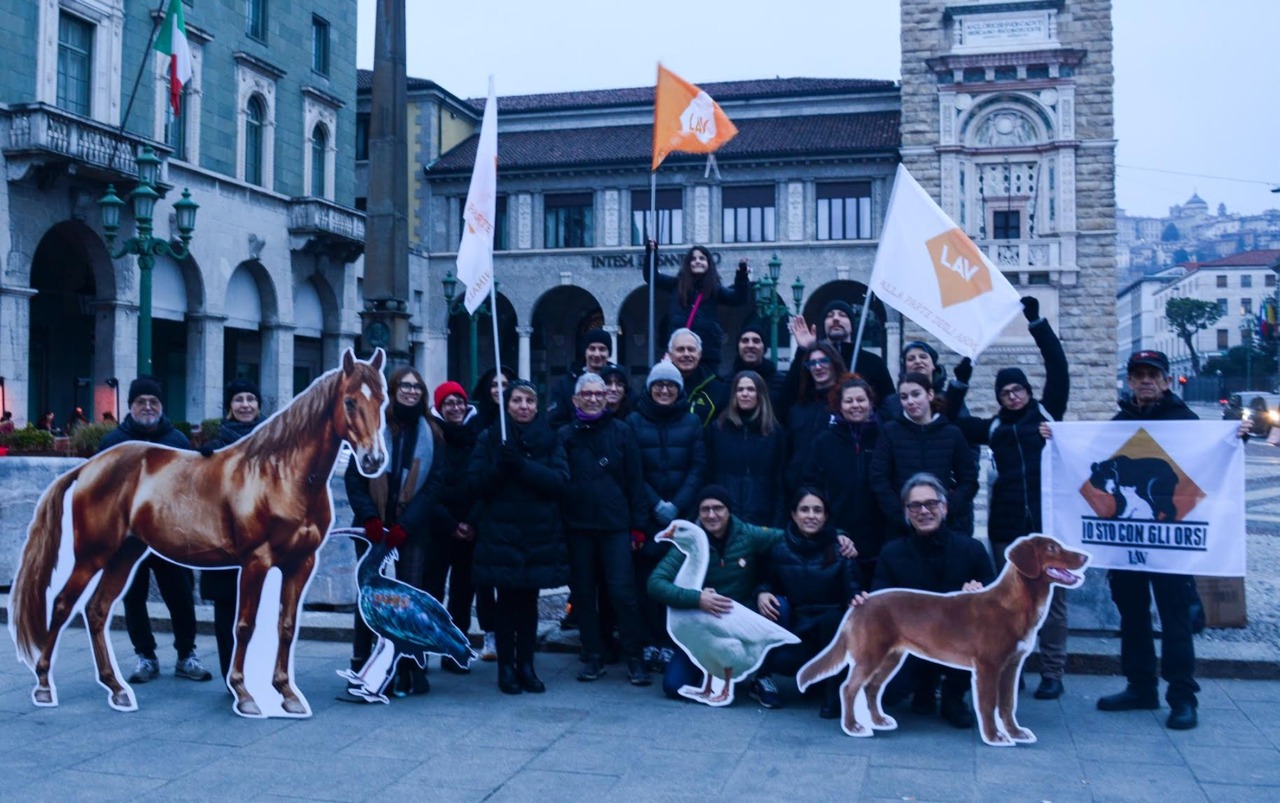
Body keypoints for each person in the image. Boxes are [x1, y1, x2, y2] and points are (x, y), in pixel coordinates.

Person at [1073, 350, 1245, 731]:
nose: (1146, 381)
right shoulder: (1119, 424)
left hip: (1169, 546)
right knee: (1132, 616)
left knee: (1175, 618)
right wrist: (1057, 441)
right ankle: (1140, 686)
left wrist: (1235, 440)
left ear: (1167, 380)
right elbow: (1088, 459)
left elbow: (1210, 460)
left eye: (1153, 375)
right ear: (1130, 381)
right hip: (1131, 545)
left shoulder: (1186, 421)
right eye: (1138, 375)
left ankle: (1183, 696)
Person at [945, 296, 1070, 700]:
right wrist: (959, 382)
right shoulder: (994, 427)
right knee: (1011, 604)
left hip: (1047, 526)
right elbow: (953, 422)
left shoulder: (1048, 414)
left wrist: (1035, 321)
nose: (1013, 396)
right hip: (1008, 529)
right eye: (1006, 391)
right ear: (998, 397)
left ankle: (1052, 671)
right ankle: (1015, 667)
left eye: (1018, 390)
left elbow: (1058, 365)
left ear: (1029, 392)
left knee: (1051, 604)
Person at [647, 485, 856, 700]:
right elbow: (655, 583)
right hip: (700, 626)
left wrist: (838, 535)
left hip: (736, 622)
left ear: (729, 511)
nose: (712, 515)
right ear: (698, 513)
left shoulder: (746, 534)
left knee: (778, 606)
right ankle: (708, 671)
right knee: (673, 686)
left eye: (718, 508)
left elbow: (796, 533)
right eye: (705, 509)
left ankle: (762, 678)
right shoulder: (689, 542)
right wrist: (697, 598)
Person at [97, 375, 212, 685]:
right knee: (133, 597)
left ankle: (186, 654)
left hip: (171, 535)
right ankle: (145, 657)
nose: (147, 407)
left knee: (181, 596)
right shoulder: (113, 444)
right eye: (140, 402)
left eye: (153, 402)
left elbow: (194, 488)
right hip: (127, 537)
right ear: (131, 406)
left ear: (161, 407)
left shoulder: (177, 441)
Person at [469, 380, 569, 695]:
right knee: (506, 602)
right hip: (501, 532)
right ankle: (506, 667)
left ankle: (527, 664)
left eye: (529, 401)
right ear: (506, 405)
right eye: (517, 401)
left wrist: (522, 467)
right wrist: (501, 467)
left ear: (537, 407)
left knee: (528, 602)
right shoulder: (490, 438)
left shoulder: (550, 439)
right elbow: (476, 484)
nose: (523, 406)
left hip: (537, 532)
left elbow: (560, 482)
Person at [872, 473, 995, 729]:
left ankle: (953, 696)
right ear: (906, 512)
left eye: (931, 503)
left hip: (958, 642)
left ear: (944, 507)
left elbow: (997, 602)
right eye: (915, 505)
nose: (923, 511)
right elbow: (879, 602)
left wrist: (980, 595)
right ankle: (922, 688)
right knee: (890, 694)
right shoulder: (891, 553)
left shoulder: (972, 550)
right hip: (910, 641)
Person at [342, 367, 436, 700]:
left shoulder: (432, 431)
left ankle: (409, 668)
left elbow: (435, 486)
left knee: (407, 600)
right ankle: (361, 662)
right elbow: (354, 478)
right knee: (369, 599)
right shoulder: (375, 427)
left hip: (411, 529)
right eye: (406, 386)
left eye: (417, 387)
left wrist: (405, 525)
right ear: (394, 389)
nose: (412, 391)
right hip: (372, 527)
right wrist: (369, 517)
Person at [558, 373, 651, 686]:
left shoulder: (622, 432)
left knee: (623, 593)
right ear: (576, 399)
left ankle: (634, 655)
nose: (594, 398)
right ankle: (593, 653)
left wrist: (638, 527)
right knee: (584, 594)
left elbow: (635, 482)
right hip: (578, 526)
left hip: (615, 526)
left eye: (599, 393)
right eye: (587, 394)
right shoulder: (565, 435)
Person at [753, 488, 861, 716]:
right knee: (784, 661)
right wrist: (762, 593)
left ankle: (834, 693)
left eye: (817, 510)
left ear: (825, 516)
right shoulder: (780, 549)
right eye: (804, 509)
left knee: (833, 620)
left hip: (835, 628)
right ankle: (798, 679)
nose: (811, 515)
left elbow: (854, 593)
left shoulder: (841, 548)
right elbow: (766, 581)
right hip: (802, 625)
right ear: (793, 514)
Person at [627, 359, 707, 664]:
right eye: (658, 385)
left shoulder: (691, 422)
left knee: (676, 582)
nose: (664, 390)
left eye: (670, 385)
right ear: (650, 389)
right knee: (647, 581)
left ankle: (670, 641)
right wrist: (656, 504)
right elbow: (634, 470)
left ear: (679, 389)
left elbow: (698, 467)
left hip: (681, 517)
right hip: (648, 518)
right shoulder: (634, 421)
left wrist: (676, 505)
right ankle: (649, 639)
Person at [197, 378, 266, 682]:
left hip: (262, 537)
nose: (246, 405)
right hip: (226, 538)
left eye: (251, 398)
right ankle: (232, 673)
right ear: (229, 407)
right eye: (239, 399)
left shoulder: (273, 440)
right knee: (226, 608)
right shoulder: (214, 445)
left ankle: (258, 670)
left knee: (261, 605)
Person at [425, 380, 491, 672]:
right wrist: (450, 523)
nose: (455, 407)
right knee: (433, 592)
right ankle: (426, 648)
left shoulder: (479, 435)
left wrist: (471, 521)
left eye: (459, 402)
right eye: (448, 403)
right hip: (439, 527)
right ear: (440, 407)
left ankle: (455, 650)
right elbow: (426, 485)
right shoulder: (430, 436)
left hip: (470, 527)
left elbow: (485, 482)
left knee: (464, 593)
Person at [803, 374, 886, 587]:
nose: (855, 405)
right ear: (839, 405)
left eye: (860, 400)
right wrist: (829, 530)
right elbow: (812, 485)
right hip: (837, 536)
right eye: (849, 401)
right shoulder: (824, 441)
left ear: (870, 402)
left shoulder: (885, 437)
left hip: (880, 537)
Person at [870, 372, 979, 536]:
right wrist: (899, 513)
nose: (910, 401)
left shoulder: (951, 433)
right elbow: (879, 478)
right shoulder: (890, 432)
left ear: (930, 394)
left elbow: (969, 479)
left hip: (945, 527)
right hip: (902, 529)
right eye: (904, 397)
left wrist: (948, 507)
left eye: (916, 394)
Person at [644, 241, 751, 371]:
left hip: (707, 354)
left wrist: (741, 276)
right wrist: (652, 253)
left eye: (702, 258)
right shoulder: (676, 285)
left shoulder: (714, 289)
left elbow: (738, 298)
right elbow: (652, 276)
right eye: (693, 259)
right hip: (681, 350)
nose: (697, 261)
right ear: (688, 264)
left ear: (708, 264)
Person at [706, 370, 787, 528]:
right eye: (740, 389)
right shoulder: (717, 429)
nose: (745, 394)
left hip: (762, 518)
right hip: (725, 518)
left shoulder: (775, 433)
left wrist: (777, 523)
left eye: (750, 389)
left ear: (760, 394)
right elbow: (708, 474)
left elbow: (780, 482)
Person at [788, 302, 895, 405]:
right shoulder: (816, 363)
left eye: (842, 315)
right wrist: (803, 350)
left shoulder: (873, 362)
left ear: (852, 325)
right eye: (830, 316)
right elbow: (790, 395)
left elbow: (889, 402)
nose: (835, 318)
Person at [778, 341, 847, 492]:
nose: (818, 367)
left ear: (834, 363)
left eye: (823, 361)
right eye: (812, 363)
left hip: (834, 490)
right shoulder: (798, 409)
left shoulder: (846, 406)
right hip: (798, 491)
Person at [547, 328, 616, 428]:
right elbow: (554, 420)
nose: (597, 354)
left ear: (608, 353)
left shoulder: (617, 382)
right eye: (592, 349)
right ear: (585, 352)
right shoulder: (565, 384)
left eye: (602, 349)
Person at [667, 328, 729, 427]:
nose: (686, 354)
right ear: (670, 355)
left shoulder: (718, 389)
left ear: (699, 354)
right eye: (680, 349)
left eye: (691, 349)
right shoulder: (658, 387)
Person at [731, 321, 786, 404]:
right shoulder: (726, 381)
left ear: (764, 348)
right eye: (745, 340)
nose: (750, 345)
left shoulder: (781, 382)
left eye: (756, 341)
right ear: (738, 347)